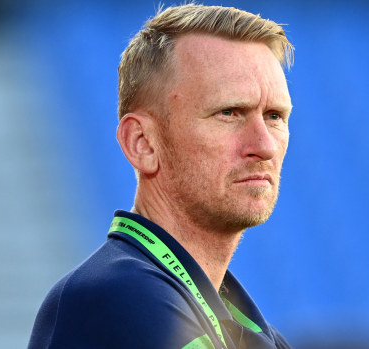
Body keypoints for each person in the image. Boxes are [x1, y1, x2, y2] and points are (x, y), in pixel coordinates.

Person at [28, 4, 294, 348]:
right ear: (142, 143)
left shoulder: (255, 332)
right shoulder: (118, 298)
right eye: (229, 112)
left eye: (274, 116)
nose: (264, 146)